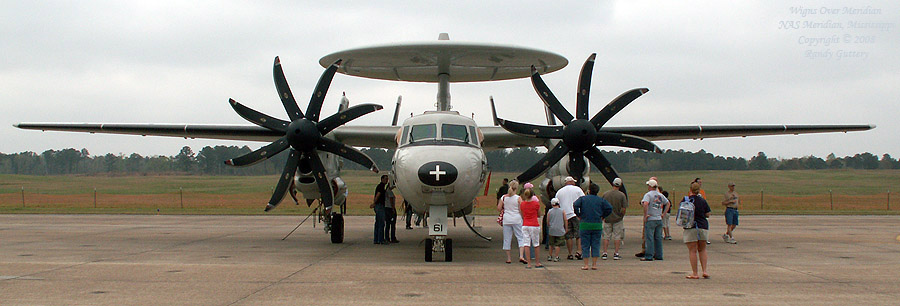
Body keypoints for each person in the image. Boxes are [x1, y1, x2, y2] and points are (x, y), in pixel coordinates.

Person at [574, 183, 613, 270]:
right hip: (597, 224)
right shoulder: (601, 200)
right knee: (595, 244)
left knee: (585, 245)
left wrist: (579, 214)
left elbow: (575, 205)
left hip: (585, 224)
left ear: (589, 190)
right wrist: (603, 216)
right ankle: (594, 264)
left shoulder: (583, 199)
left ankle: (586, 264)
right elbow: (609, 208)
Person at [684, 182, 712, 279]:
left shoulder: (686, 200)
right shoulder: (702, 201)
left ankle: (695, 273)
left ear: (690, 190)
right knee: (702, 249)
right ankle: (704, 271)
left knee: (692, 250)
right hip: (702, 226)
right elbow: (707, 214)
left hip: (690, 226)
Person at [556, 176, 585, 260]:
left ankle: (570, 253)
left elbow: (557, 203)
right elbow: (583, 200)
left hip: (565, 215)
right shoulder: (578, 189)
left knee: (568, 236)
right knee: (578, 234)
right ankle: (579, 251)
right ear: (572, 182)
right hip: (576, 214)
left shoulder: (559, 191)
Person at [641, 179, 669, 261]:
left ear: (650, 186)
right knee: (658, 238)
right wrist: (663, 214)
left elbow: (645, 203)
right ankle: (659, 255)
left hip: (651, 218)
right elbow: (668, 203)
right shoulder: (660, 195)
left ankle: (649, 255)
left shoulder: (648, 195)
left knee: (649, 238)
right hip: (658, 218)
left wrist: (645, 215)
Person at [498, 180, 525, 264]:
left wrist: (504, 209)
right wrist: (522, 217)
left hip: (507, 219)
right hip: (517, 219)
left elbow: (499, 208)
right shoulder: (518, 198)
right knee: (520, 237)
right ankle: (521, 256)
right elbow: (521, 209)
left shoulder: (504, 197)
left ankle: (509, 258)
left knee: (507, 238)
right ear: (516, 188)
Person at [601, 178, 627, 260]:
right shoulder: (622, 195)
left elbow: (602, 206)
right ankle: (616, 253)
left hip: (607, 218)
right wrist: (621, 216)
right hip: (617, 219)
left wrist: (603, 216)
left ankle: (605, 253)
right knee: (617, 236)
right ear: (620, 185)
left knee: (606, 236)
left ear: (612, 184)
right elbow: (623, 208)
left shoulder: (606, 194)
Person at [519, 187, 543, 268]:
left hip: (525, 224)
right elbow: (539, 214)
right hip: (534, 224)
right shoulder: (536, 204)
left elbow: (522, 215)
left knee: (526, 244)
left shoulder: (522, 204)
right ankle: (537, 262)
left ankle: (529, 263)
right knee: (536, 244)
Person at [370, 175, 389, 244]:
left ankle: (376, 239)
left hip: (379, 205)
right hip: (380, 206)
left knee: (377, 223)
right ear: (382, 179)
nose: (387, 180)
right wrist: (374, 203)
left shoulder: (382, 186)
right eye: (385, 179)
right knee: (381, 223)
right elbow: (378, 195)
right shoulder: (381, 187)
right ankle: (380, 239)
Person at [546, 198, 566, 262]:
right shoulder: (562, 211)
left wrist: (549, 225)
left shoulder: (550, 211)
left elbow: (548, 220)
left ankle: (550, 255)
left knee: (551, 244)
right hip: (560, 229)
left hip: (552, 229)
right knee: (558, 244)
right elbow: (565, 219)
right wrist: (566, 227)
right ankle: (556, 256)